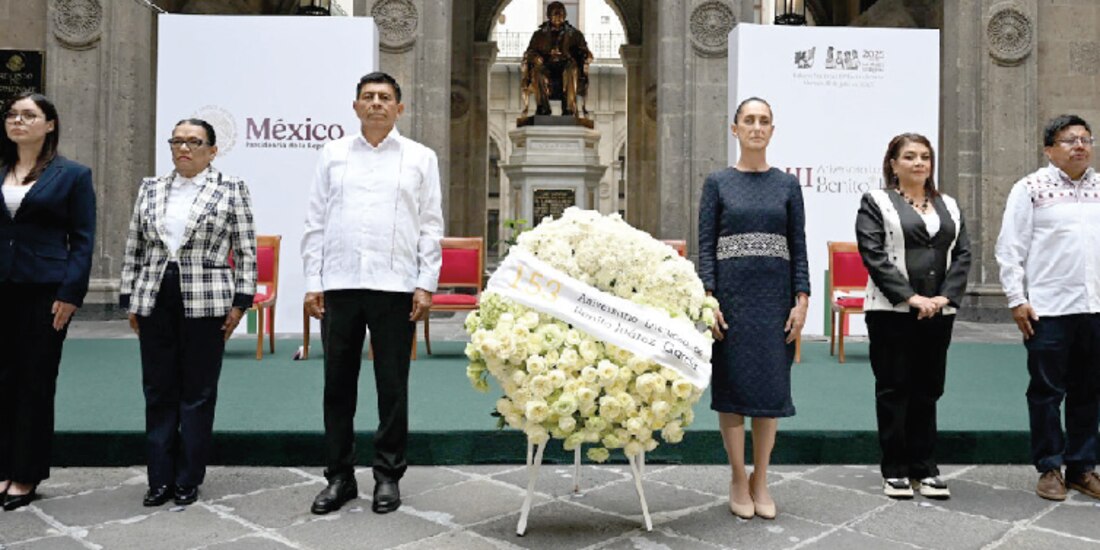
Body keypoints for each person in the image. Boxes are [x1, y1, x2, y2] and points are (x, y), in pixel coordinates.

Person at [302, 72, 443, 515]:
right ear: (356, 106)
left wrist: (426, 282)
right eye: (368, 97)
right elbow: (315, 221)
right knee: (337, 387)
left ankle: (387, 475)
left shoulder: (420, 158)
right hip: (340, 285)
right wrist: (312, 282)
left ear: (400, 109)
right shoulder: (333, 154)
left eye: (385, 98)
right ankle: (339, 477)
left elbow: (431, 224)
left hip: (395, 287)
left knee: (392, 387)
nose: (376, 103)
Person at [119, 118, 257, 507]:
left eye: (194, 142)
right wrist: (130, 297)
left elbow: (245, 250)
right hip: (155, 297)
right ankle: (159, 478)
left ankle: (187, 477)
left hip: (207, 300)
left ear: (212, 151)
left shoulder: (231, 189)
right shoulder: (151, 188)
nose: (184, 148)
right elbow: (135, 245)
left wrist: (241, 301)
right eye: (177, 141)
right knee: (158, 389)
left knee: (197, 391)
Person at [698, 97, 809, 520]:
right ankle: (737, 477)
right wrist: (708, 297)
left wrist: (802, 299)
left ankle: (761, 478)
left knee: (769, 390)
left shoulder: (787, 185)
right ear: (735, 129)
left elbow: (798, 245)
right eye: (749, 120)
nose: (757, 127)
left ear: (772, 130)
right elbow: (706, 246)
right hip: (732, 300)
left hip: (775, 300)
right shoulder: (718, 183)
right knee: (732, 391)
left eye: (764, 121)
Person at [855, 133, 971, 499]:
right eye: (909, 157)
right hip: (891, 311)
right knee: (894, 388)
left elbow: (963, 254)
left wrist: (941, 298)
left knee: (928, 389)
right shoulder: (876, 202)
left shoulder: (949, 205)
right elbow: (873, 254)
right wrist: (911, 297)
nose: (919, 163)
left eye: (925, 156)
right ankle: (895, 471)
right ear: (893, 163)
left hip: (939, 310)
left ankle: (926, 467)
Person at [996, 114, 1100, 502]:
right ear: (1049, 150)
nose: (1079, 146)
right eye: (1070, 140)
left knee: (1089, 392)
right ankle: (1049, 468)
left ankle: (1083, 468)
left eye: (1086, 139)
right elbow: (1010, 248)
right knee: (1046, 392)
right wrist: (1016, 299)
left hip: (1095, 309)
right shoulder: (1030, 188)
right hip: (1049, 309)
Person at [0, 92, 95, 511]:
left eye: (29, 115)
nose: (18, 121)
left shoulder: (72, 174)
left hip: (45, 291)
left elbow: (83, 239)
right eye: (12, 115)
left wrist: (70, 293)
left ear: (49, 124)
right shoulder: (0, 169)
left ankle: (26, 474)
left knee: (35, 381)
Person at [521, 1, 593, 117]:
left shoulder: (575, 34)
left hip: (566, 64)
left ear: (565, 15)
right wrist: (536, 57)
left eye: (561, 14)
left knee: (571, 69)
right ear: (549, 16)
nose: (558, 17)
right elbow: (529, 53)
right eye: (555, 14)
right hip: (546, 65)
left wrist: (585, 55)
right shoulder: (539, 35)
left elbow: (584, 51)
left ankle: (569, 109)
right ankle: (543, 109)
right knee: (538, 72)